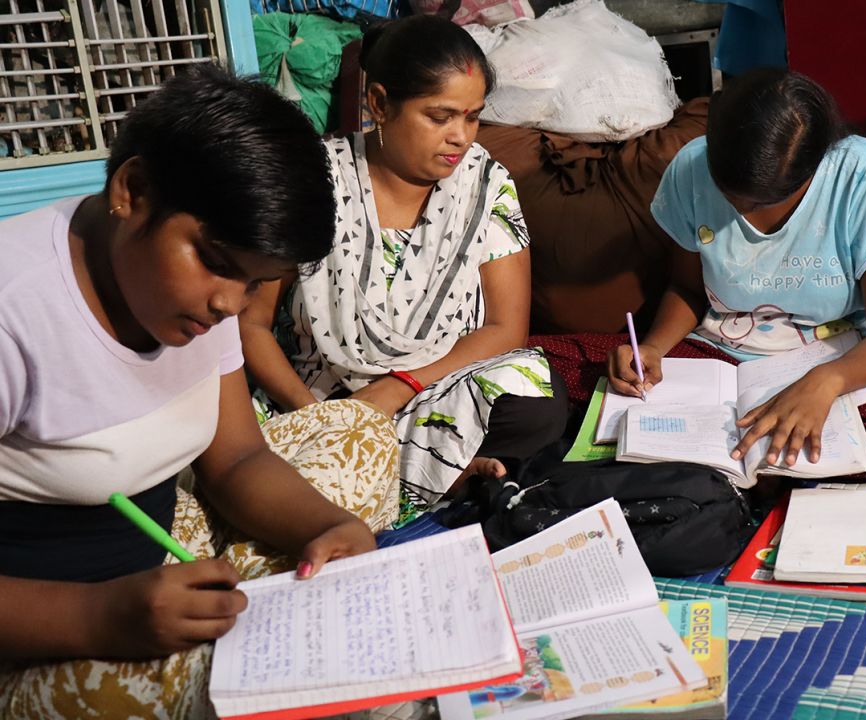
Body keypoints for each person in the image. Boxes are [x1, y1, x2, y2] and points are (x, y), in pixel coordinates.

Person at [0, 65, 401, 718]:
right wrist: (96, 618)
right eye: (214, 262)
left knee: (362, 432)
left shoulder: (197, 296)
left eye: (253, 283)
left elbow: (237, 459)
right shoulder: (15, 313)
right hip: (46, 616)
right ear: (131, 190)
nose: (228, 303)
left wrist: (328, 525)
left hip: (165, 535)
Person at [241, 15, 568, 522]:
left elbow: (507, 329)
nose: (460, 137)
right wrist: (328, 420)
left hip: (431, 392)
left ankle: (392, 476)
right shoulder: (313, 180)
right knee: (229, 442)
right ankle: (436, 476)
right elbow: (251, 323)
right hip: (317, 401)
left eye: (473, 117)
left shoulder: (484, 183)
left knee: (535, 395)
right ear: (379, 104)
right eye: (439, 117)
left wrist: (398, 388)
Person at [605, 67, 866, 477]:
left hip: (839, 356)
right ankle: (756, 474)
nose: (742, 211)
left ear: (815, 167)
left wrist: (825, 382)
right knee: (582, 381)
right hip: (717, 353)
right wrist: (653, 348)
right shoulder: (691, 167)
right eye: (731, 197)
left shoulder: (862, 175)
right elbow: (688, 288)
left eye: (764, 201)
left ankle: (728, 474)